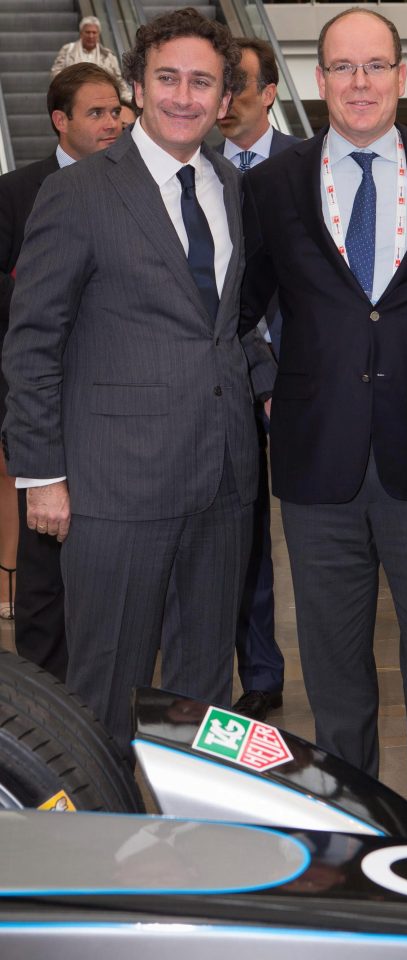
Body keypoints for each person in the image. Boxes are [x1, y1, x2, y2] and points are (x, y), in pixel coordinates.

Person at [239, 7, 407, 840]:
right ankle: (352, 841)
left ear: (400, 76)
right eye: (343, 68)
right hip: (318, 465)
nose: (360, 83)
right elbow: (238, 312)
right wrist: (268, 382)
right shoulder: (272, 186)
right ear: (319, 81)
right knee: (336, 676)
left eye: (375, 66)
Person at [2, 9, 274, 755]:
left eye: (202, 83)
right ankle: (102, 854)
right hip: (115, 489)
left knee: (201, 694)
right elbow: (32, 343)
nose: (184, 97)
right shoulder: (82, 191)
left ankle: (185, 847)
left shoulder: (227, 185)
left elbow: (226, 325)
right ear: (137, 89)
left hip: (222, 482)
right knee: (106, 690)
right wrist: (42, 474)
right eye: (168, 79)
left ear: (226, 100)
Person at [0, 63, 123, 678]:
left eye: (117, 110)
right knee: (46, 563)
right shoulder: (18, 191)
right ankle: (45, 699)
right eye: (97, 112)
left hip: (119, 409)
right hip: (47, 404)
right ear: (60, 120)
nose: (113, 122)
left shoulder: (137, 186)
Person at [215, 37, 299, 721]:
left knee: (319, 529)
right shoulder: (199, 172)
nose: (226, 95)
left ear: (269, 93)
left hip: (313, 380)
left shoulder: (309, 168)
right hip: (229, 378)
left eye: (237, 81)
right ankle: (260, 672)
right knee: (242, 533)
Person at [50, 15, 130, 103]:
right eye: (87, 32)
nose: (91, 36)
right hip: (72, 100)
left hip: (100, 101)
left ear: (98, 34)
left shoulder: (108, 56)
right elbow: (56, 74)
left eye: (94, 32)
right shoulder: (67, 51)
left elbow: (118, 81)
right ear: (81, 33)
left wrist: (128, 100)